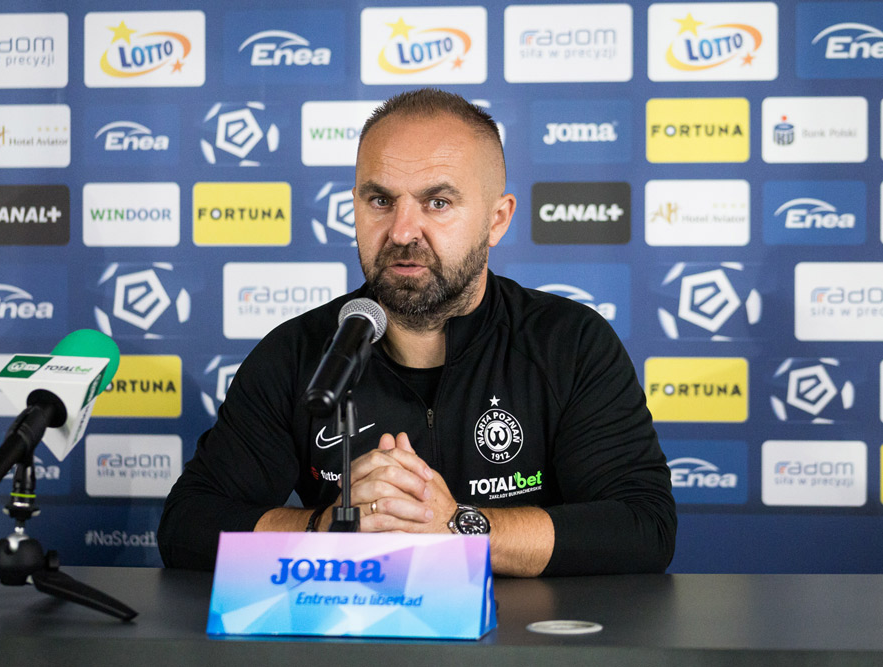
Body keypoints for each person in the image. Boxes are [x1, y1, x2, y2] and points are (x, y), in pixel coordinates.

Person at [159, 88, 676, 576]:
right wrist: (330, 529)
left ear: (497, 220)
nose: (403, 231)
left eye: (438, 203)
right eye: (380, 201)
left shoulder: (570, 344)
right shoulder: (300, 354)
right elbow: (187, 526)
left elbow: (643, 527)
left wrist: (459, 528)